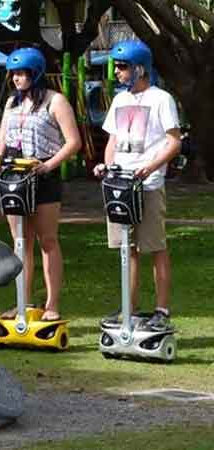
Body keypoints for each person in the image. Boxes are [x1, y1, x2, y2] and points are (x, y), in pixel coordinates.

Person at [94, 40, 181, 331]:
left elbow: (174, 142)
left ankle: (162, 310)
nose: (117, 72)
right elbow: (113, 141)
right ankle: (128, 308)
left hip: (149, 184)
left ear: (140, 68)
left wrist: (152, 167)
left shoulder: (161, 99)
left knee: (155, 246)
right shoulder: (120, 101)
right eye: (116, 66)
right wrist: (107, 166)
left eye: (122, 67)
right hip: (120, 183)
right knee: (125, 249)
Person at [0, 47, 80, 322]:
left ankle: (51, 304)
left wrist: (49, 165)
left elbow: (73, 142)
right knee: (20, 242)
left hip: (43, 174)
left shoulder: (55, 101)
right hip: (15, 175)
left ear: (35, 73)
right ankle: (22, 302)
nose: (16, 79)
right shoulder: (11, 104)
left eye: (22, 73)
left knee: (47, 240)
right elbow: (2, 138)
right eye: (13, 74)